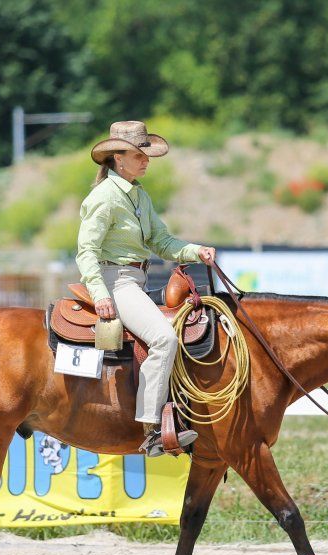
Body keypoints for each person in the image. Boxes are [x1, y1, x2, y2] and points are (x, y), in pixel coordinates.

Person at [76, 121, 216, 456]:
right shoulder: (105, 198)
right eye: (140, 154)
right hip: (117, 282)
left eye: (147, 155)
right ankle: (152, 428)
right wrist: (100, 294)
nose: (146, 160)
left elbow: (161, 241)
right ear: (118, 158)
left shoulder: (138, 195)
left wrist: (196, 251)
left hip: (136, 281)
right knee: (163, 338)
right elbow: (86, 251)